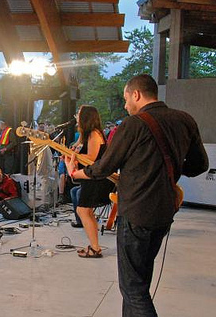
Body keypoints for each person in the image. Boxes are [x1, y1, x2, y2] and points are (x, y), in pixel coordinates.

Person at [65, 74, 208, 316]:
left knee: (132, 289)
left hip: (136, 212)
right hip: (164, 211)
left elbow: (104, 167)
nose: (125, 105)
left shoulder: (133, 124)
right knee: (140, 281)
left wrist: (76, 173)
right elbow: (199, 164)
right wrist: (166, 171)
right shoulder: (185, 119)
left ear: (136, 95)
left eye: (125, 98)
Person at [68, 105, 115, 258]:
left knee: (82, 210)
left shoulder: (94, 134)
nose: (76, 116)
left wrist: (73, 158)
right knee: (86, 211)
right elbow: (79, 151)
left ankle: (95, 248)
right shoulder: (86, 135)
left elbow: (91, 158)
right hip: (91, 178)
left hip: (97, 179)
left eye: (79, 114)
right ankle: (95, 246)